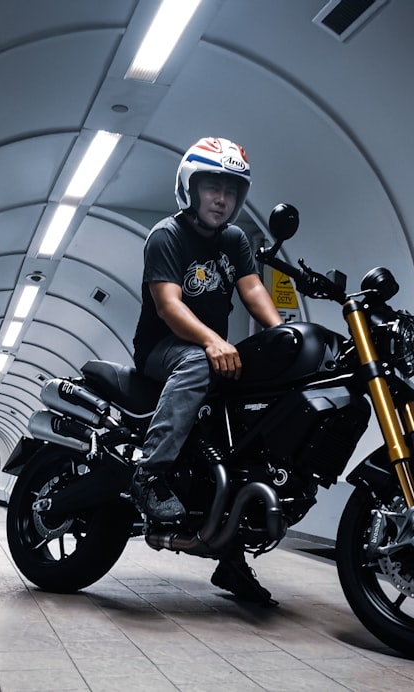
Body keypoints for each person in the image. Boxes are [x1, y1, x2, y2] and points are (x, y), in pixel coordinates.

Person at [130, 136, 283, 605]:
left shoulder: (236, 240)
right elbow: (169, 305)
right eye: (212, 186)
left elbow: (253, 289)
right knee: (196, 359)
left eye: (231, 190)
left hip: (213, 351)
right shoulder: (166, 236)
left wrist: (281, 334)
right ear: (190, 189)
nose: (221, 198)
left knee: (236, 442)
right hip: (166, 348)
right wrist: (212, 340)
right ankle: (150, 472)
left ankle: (232, 562)